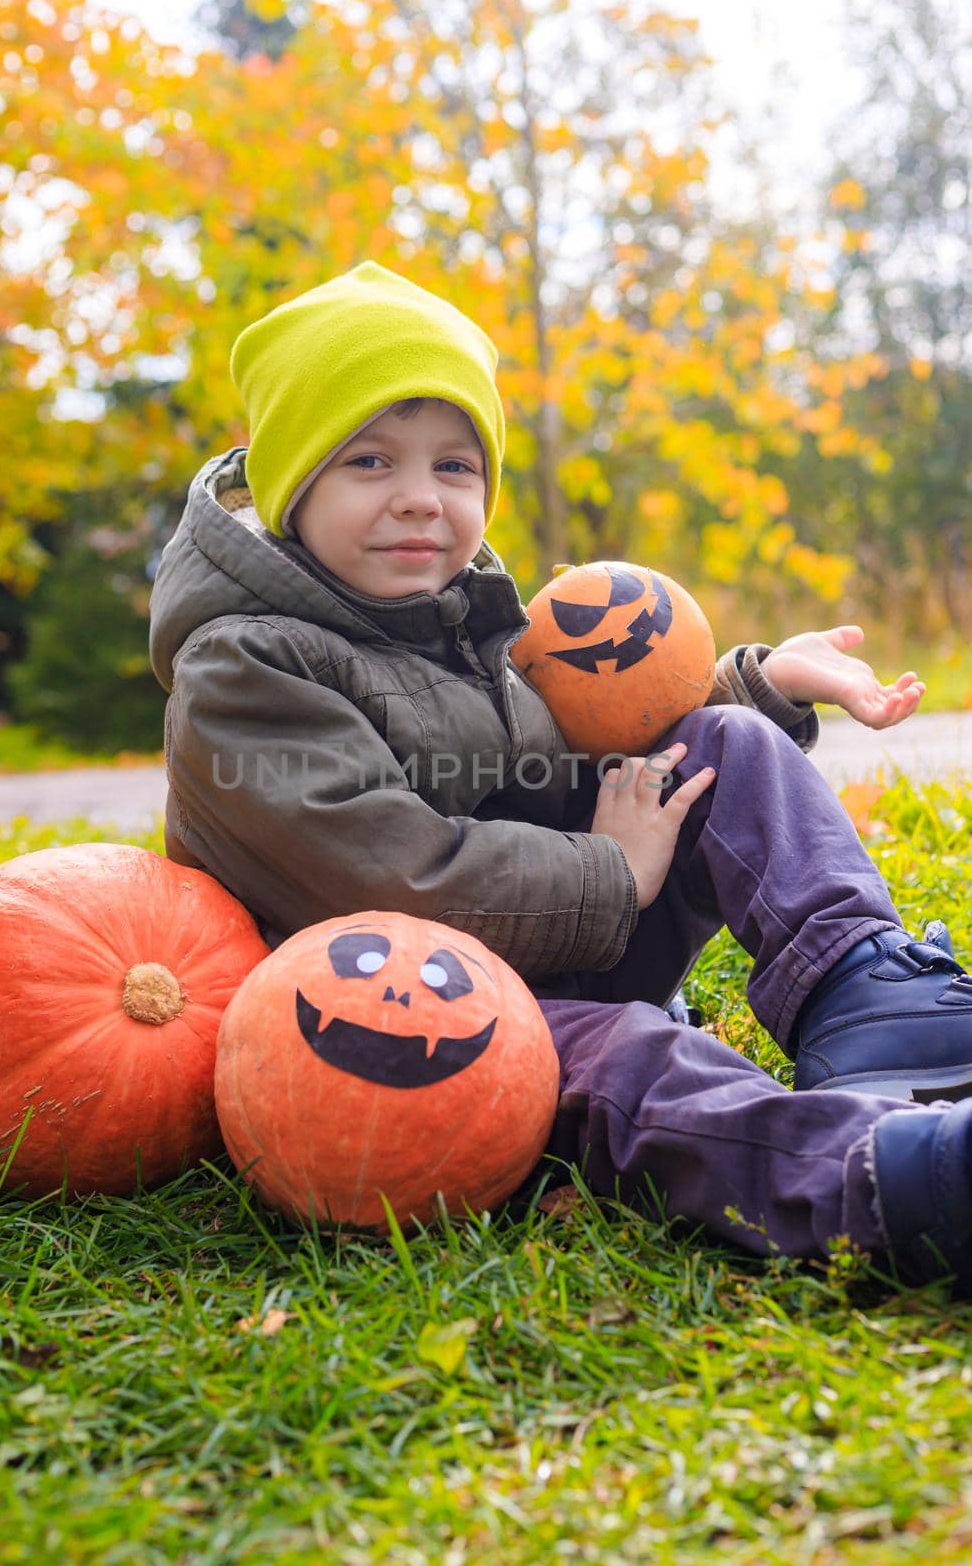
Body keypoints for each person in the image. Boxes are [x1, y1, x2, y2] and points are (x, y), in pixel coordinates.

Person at [149, 259, 972, 1293]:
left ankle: (866, 993)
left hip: (550, 933)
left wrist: (753, 686)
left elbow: (587, 756)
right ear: (290, 486)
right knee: (631, 1058)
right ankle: (882, 1183)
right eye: (367, 461)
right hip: (404, 1023)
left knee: (729, 754)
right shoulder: (245, 665)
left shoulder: (467, 616)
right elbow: (386, 876)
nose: (418, 500)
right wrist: (608, 872)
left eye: (453, 467)